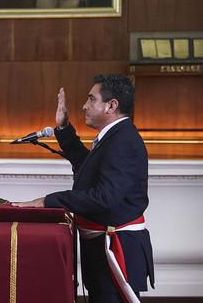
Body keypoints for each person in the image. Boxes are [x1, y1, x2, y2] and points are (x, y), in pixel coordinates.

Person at [13, 74, 154, 302]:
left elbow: (104, 197)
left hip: (117, 252)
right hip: (102, 250)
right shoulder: (115, 136)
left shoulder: (124, 141)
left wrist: (49, 200)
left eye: (91, 99)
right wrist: (63, 128)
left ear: (111, 105)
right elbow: (86, 167)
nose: (84, 106)